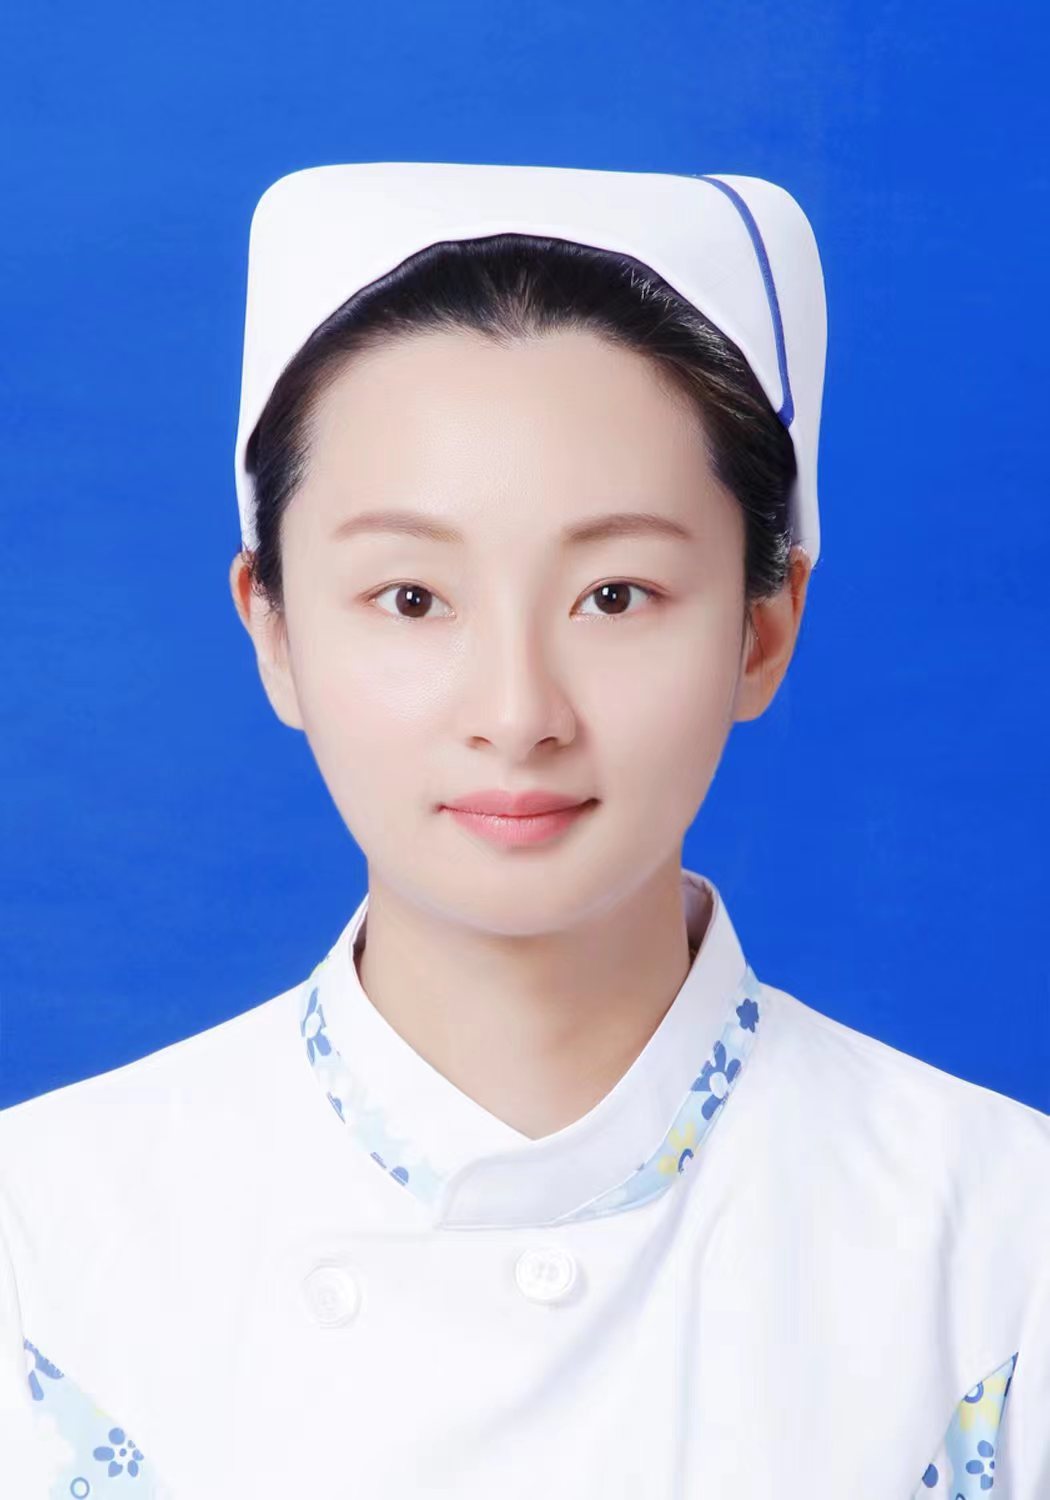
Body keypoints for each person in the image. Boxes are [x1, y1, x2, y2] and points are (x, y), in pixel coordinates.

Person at [1, 161, 1047, 1498]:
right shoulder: (41, 1258)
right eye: (411, 598)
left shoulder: (1005, 1258)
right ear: (273, 630)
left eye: (614, 595)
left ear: (762, 630)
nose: (516, 713)